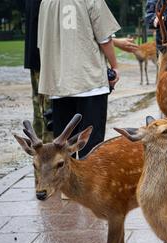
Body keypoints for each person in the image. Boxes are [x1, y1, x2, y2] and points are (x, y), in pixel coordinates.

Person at [37, 0, 120, 158]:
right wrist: (114, 66)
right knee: (90, 151)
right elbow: (105, 39)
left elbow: (42, 42)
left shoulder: (46, 2)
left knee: (63, 151)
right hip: (89, 81)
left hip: (59, 82)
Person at [24, 0, 53, 143]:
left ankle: (39, 146)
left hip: (35, 57)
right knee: (48, 106)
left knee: (38, 103)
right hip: (45, 58)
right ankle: (47, 147)